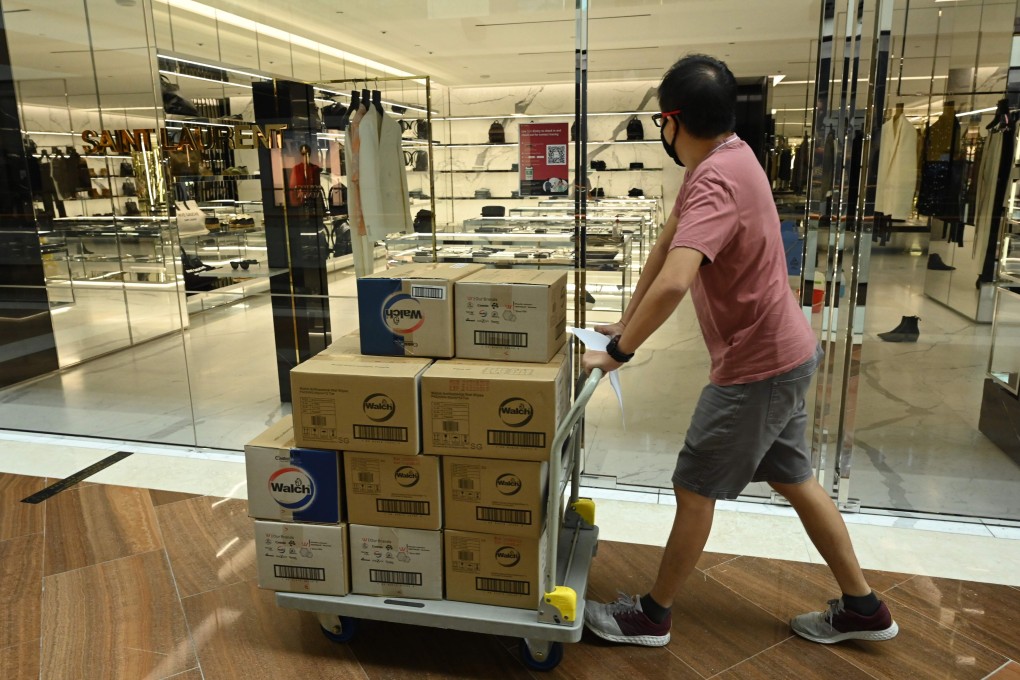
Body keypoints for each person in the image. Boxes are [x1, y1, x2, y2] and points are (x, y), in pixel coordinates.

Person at [581, 54, 899, 648]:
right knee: (798, 479)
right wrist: (621, 322)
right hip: (785, 351)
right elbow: (667, 243)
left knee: (694, 486)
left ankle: (651, 617)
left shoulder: (715, 177)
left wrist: (619, 352)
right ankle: (865, 609)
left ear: (673, 121)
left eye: (659, 123)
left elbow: (677, 278)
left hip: (757, 366)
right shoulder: (731, 156)